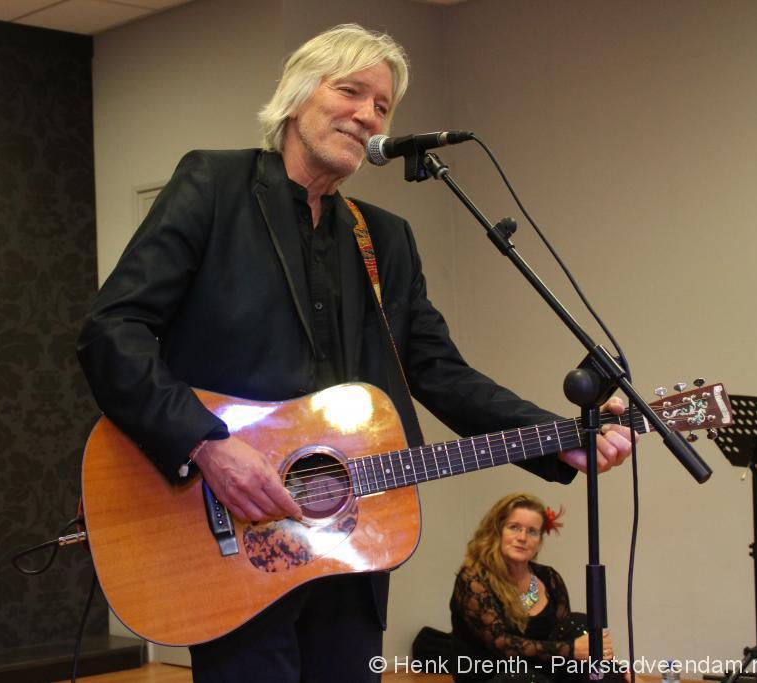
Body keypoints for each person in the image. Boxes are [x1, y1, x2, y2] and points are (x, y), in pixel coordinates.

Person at [77, 23, 634, 683]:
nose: (369, 114)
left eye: (383, 106)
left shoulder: (385, 240)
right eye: (351, 92)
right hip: (224, 538)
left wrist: (558, 437)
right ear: (296, 95)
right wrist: (205, 442)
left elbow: (440, 372)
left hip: (350, 544)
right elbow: (112, 329)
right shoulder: (213, 186)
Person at [450, 493, 623, 683]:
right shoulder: (473, 579)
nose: (522, 537)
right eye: (514, 527)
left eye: (532, 531)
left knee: (578, 624)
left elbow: (564, 634)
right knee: (520, 678)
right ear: (497, 531)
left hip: (543, 673)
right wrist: (572, 649)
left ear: (539, 540)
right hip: (493, 674)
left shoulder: (549, 577)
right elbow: (500, 645)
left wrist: (605, 659)